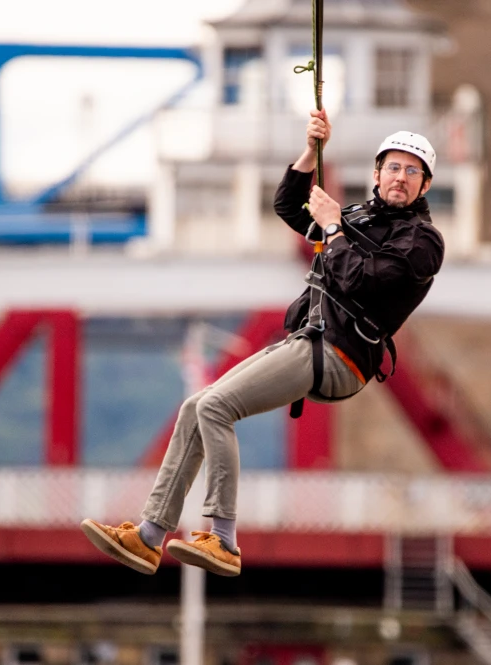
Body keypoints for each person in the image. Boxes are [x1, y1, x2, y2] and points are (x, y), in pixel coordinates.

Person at [81, 109, 445, 577]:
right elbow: (290, 207)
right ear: (376, 174)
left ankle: (225, 541)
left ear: (425, 186)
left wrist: (333, 228)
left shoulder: (422, 241)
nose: (401, 178)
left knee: (216, 408)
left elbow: (362, 281)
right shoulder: (358, 217)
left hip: (339, 356)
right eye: (393, 167)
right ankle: (149, 537)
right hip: (311, 340)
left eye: (412, 172)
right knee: (196, 405)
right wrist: (309, 153)